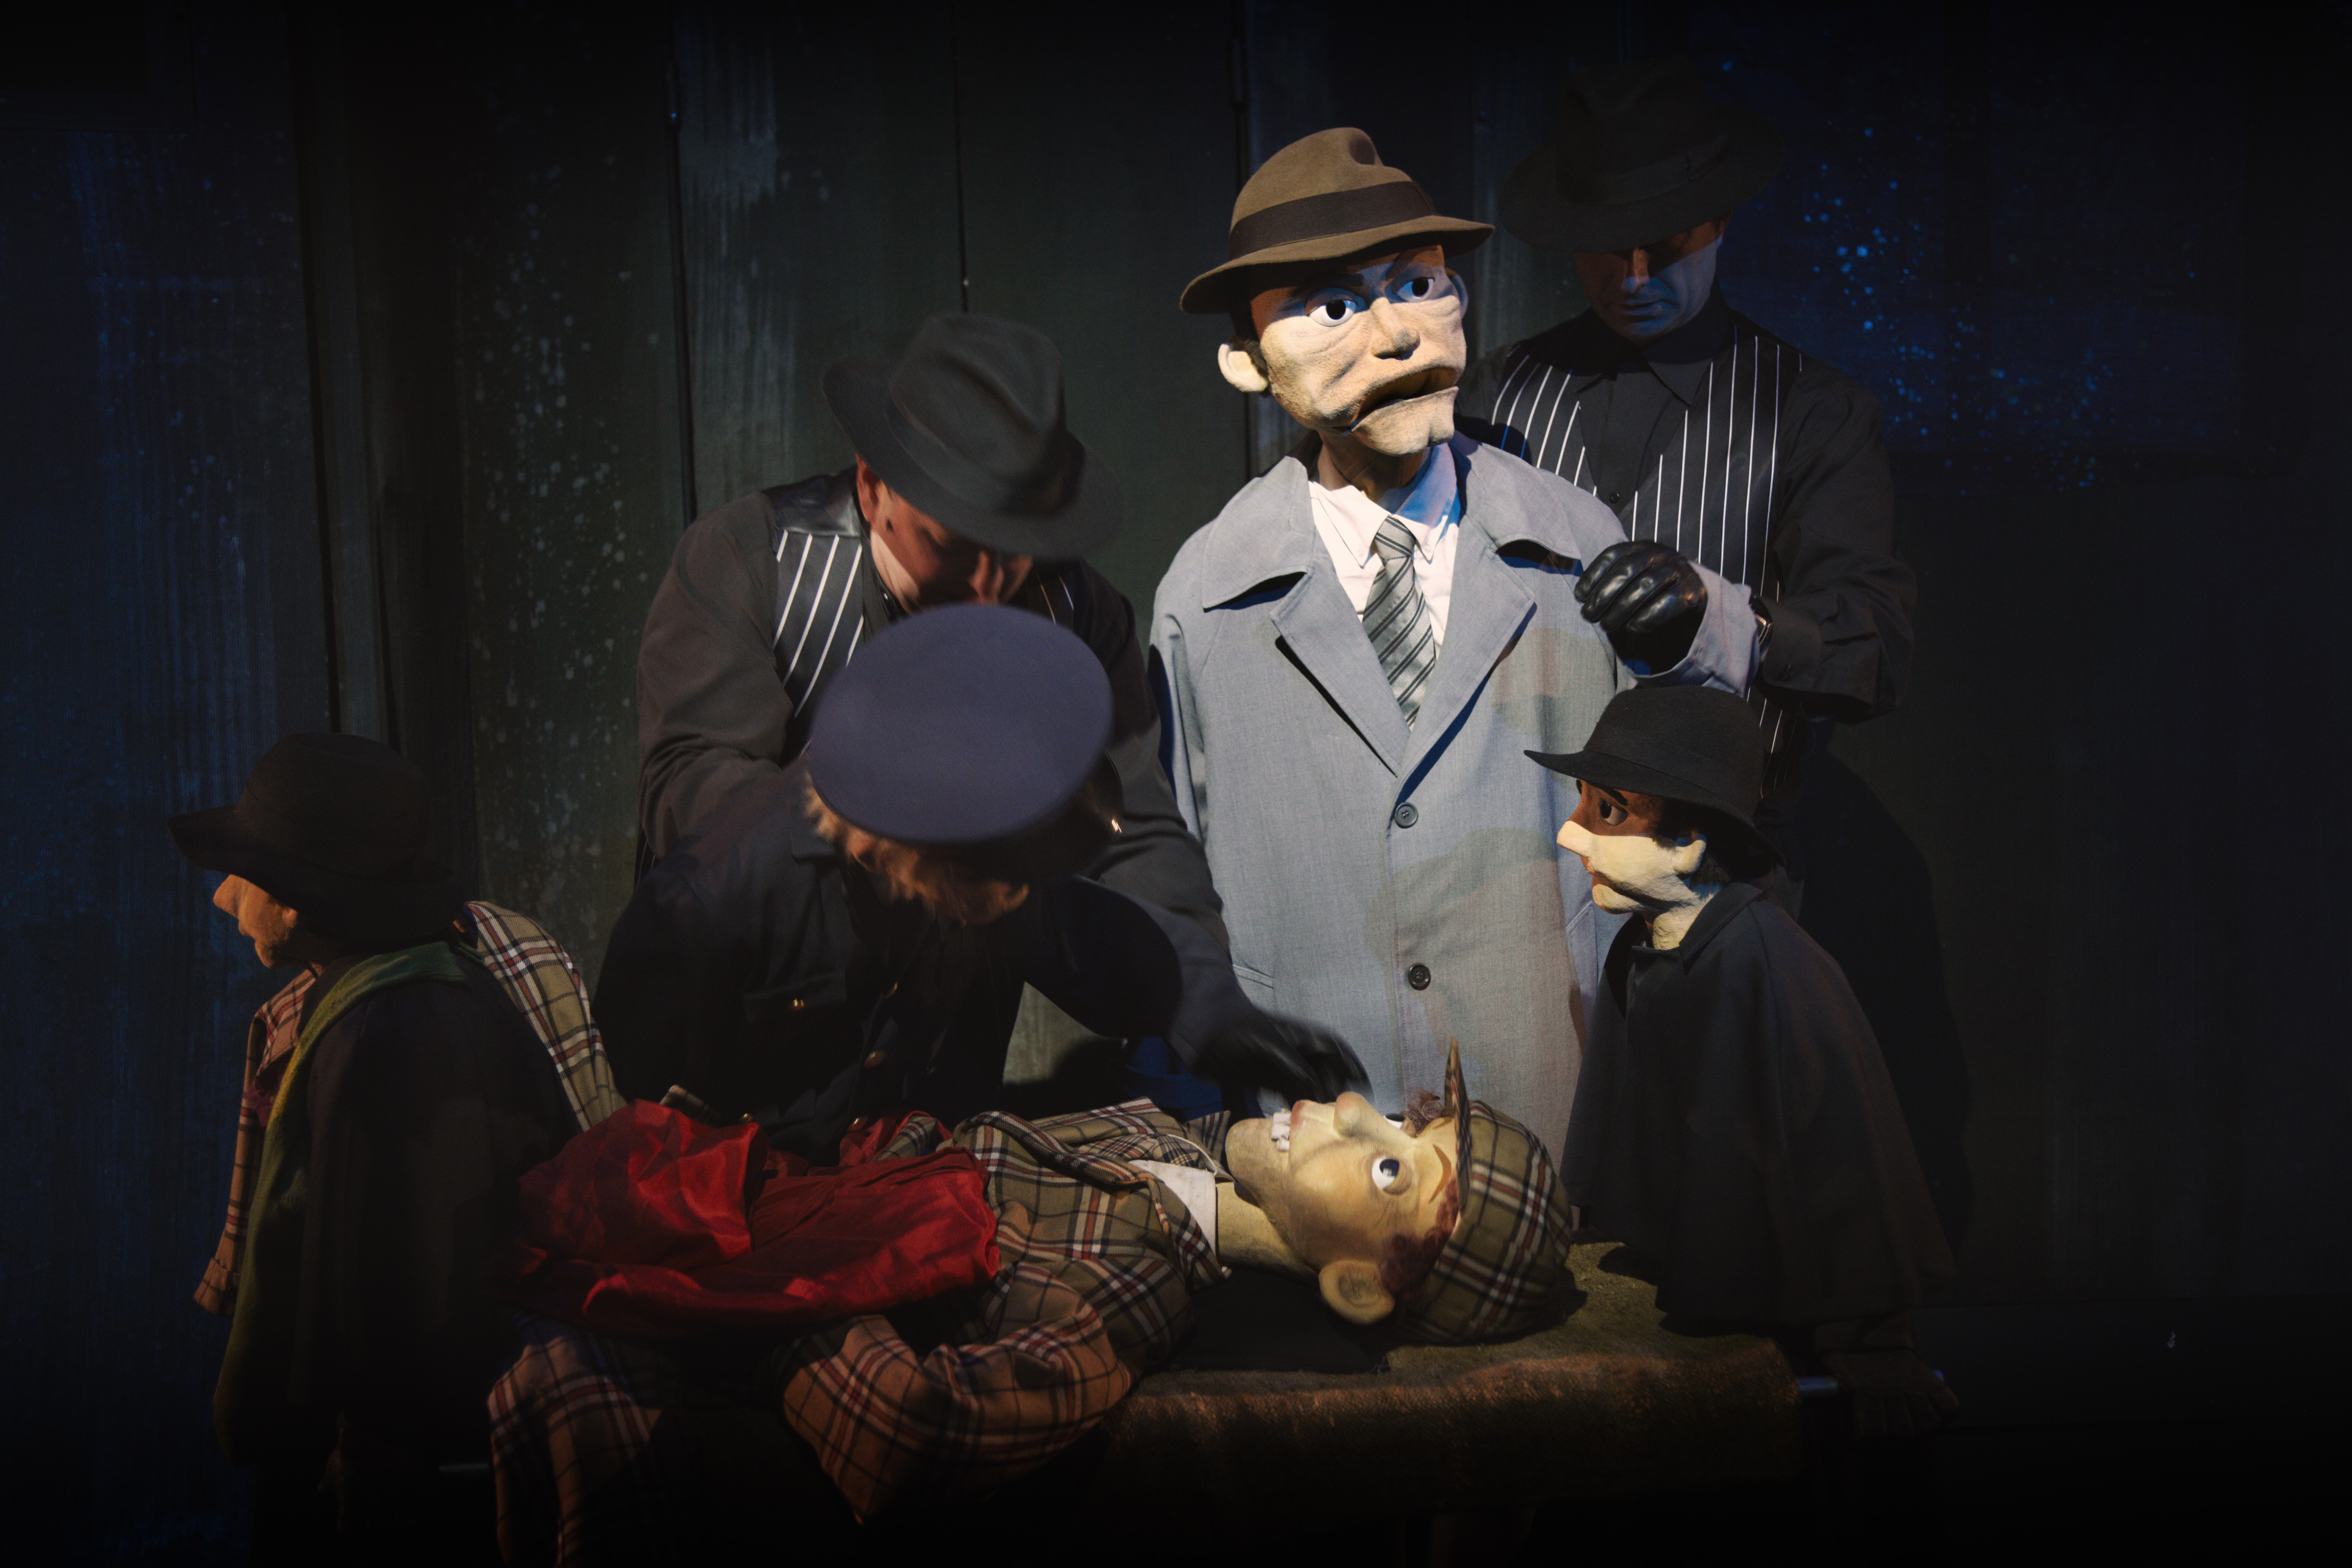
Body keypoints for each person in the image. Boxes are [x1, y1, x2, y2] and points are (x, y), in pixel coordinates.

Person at [1153, 127, 1758, 1159]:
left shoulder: (1573, 543)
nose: (1396, 337)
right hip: (1329, 1134)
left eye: (1418, 286)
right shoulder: (1205, 600)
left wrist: (1697, 625)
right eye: (1332, 307)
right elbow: (1172, 872)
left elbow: (1694, 787)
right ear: (1247, 362)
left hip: (1549, 1102)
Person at [487, 1043, 1576, 1545]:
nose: (1347, 1107)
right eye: (1396, 1118)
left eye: (1389, 1169)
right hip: (756, 1184)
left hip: (729, 1277)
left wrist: (792, 1307)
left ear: (1359, 1287)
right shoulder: (1173, 1143)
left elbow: (911, 1433)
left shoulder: (1141, 1278)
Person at [595, 603, 1367, 1165]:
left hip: (919, 1184)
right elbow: (629, 1136)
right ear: (906, 846)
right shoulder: (705, 910)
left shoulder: (964, 851)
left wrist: (1226, 1023)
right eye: (999, 882)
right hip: (750, 1229)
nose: (1015, 900)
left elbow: (1104, 938)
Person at [632, 310, 1224, 952]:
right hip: (758, 985)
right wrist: (857, 824)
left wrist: (1204, 993)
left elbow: (1135, 839)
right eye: (953, 546)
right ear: (872, 487)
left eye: (1015, 551)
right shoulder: (751, 560)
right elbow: (689, 785)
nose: (987, 589)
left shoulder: (1076, 610)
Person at [1458, 57, 1916, 848]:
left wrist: (1723, 617)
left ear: (1719, 220)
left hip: (1723, 865)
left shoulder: (1813, 411)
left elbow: (1871, 654)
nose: (1634, 278)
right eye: (1608, 247)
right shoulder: (1495, 394)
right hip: (1529, 852)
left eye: (1664, 245)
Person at [171, 733, 579, 1561]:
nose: (221, 897)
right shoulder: (455, 987)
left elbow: (384, 1323)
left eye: (244, 874)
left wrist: (364, 1475)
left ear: (295, 902)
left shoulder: (374, 1041)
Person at [1530, 685, 1957, 1435]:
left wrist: (1870, 1334)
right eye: (1583, 805)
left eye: (1609, 812)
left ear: (1690, 842)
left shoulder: (1766, 968)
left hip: (1773, 1334)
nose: (1571, 836)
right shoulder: (1643, 946)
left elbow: (1841, 1148)